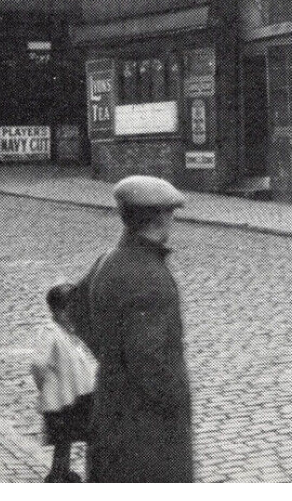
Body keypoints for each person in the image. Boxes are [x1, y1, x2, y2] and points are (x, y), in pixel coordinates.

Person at [69, 175, 193, 483]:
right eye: (171, 214)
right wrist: (173, 404)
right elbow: (149, 360)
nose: (172, 222)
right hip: (147, 429)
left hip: (109, 407)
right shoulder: (151, 278)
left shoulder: (108, 260)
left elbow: (75, 306)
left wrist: (110, 354)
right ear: (161, 217)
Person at [30, 282, 97, 483]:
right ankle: (58, 477)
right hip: (61, 400)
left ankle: (62, 473)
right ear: (58, 311)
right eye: (70, 309)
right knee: (63, 440)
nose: (75, 314)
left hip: (77, 396)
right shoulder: (50, 332)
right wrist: (46, 387)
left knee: (68, 439)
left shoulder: (68, 331)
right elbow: (38, 364)